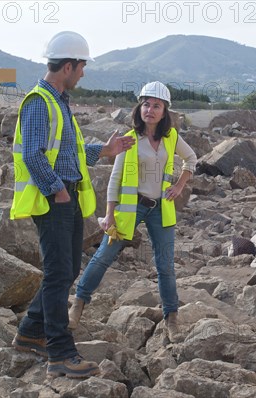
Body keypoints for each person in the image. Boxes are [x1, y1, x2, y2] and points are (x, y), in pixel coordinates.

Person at [9, 31, 135, 378]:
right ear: (67, 66)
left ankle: (31, 332)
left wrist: (105, 151)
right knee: (57, 273)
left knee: (67, 271)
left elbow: (70, 155)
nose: (83, 73)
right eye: (81, 67)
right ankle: (60, 354)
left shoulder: (59, 101)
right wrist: (56, 190)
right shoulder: (39, 102)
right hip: (54, 198)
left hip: (67, 195)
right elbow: (34, 153)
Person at [67, 81, 197, 342]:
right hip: (131, 207)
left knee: (165, 266)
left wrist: (179, 186)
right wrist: (109, 214)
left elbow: (191, 159)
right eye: (146, 104)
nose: (150, 109)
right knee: (104, 255)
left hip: (161, 207)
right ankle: (78, 304)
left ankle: (171, 318)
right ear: (140, 108)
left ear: (165, 111)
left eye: (156, 105)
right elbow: (115, 178)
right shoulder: (129, 138)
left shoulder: (171, 137)